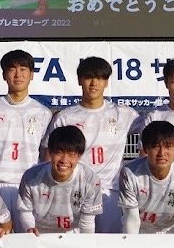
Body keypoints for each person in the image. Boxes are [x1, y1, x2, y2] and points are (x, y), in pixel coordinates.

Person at [45, 56, 143, 233]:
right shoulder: (65, 117)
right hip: (75, 191)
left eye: (99, 78)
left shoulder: (124, 114)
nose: (94, 83)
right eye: (89, 77)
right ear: (79, 80)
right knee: (77, 244)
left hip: (110, 193)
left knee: (109, 244)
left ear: (106, 82)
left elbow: (158, 123)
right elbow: (48, 156)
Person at [0, 49, 53, 232]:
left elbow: (45, 154)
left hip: (29, 187)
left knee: (29, 241)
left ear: (31, 75)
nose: (18, 74)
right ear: (4, 75)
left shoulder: (43, 113)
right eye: (12, 69)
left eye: (23, 69)